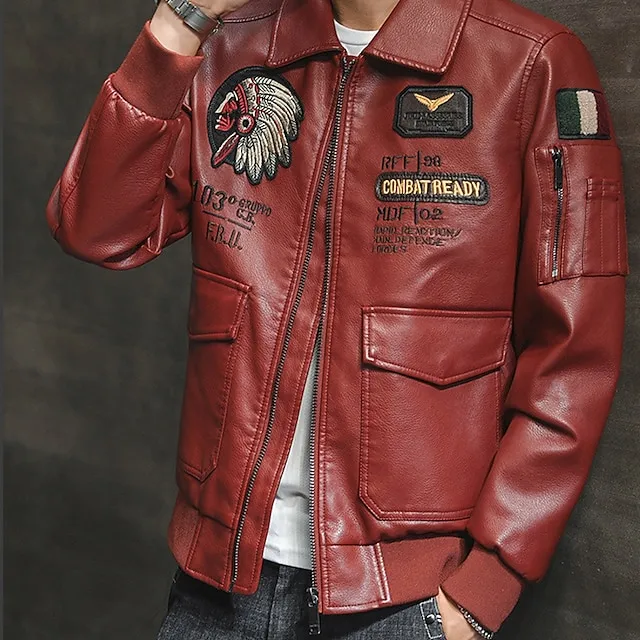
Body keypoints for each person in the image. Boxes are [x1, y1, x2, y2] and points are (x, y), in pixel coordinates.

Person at [46, 0, 628, 637]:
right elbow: (96, 227)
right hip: (218, 585)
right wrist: (180, 19)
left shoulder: (529, 62)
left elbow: (575, 353)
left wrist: (483, 589)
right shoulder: (227, 44)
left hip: (406, 599)